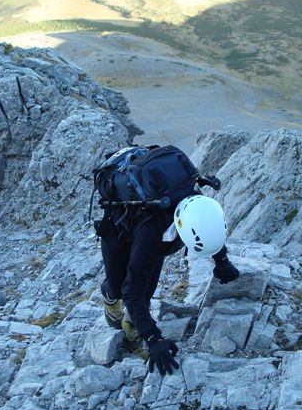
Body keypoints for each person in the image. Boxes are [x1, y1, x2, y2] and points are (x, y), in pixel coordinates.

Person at [93, 147, 240, 376]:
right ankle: (109, 299)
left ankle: (133, 333)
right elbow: (132, 292)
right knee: (119, 288)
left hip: (151, 227)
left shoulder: (197, 204)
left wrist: (221, 259)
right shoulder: (152, 234)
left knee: (145, 293)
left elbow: (206, 227)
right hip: (119, 228)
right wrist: (155, 339)